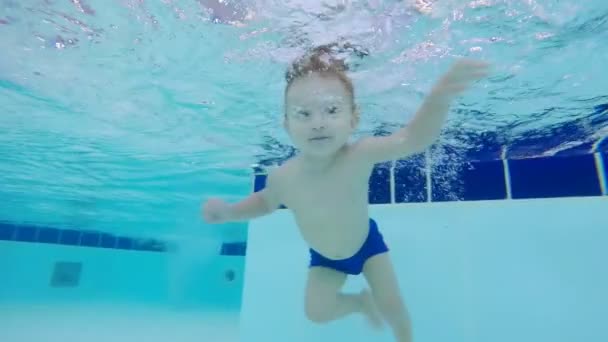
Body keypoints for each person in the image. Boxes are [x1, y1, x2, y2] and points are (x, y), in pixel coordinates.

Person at [202, 43, 489, 342]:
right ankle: (359, 303)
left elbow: (413, 138)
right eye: (304, 114)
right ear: (287, 125)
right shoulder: (284, 176)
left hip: (367, 246)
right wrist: (230, 212)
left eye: (332, 110)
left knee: (393, 308)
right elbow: (265, 202)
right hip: (325, 257)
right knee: (317, 312)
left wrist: (440, 96)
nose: (319, 123)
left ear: (354, 118)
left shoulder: (360, 155)